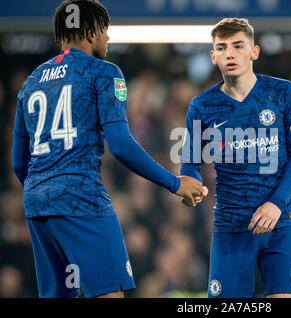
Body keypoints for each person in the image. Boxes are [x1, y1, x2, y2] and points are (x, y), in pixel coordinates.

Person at [12, 0, 206, 298]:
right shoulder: (104, 72)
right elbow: (121, 144)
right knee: (108, 294)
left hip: (37, 203)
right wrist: (175, 182)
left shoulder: (31, 82)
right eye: (105, 30)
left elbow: (17, 163)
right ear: (90, 31)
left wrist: (48, 191)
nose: (108, 37)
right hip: (82, 199)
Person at [180, 18, 291, 298]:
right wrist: (190, 183)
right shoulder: (202, 105)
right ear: (213, 56)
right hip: (231, 224)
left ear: (254, 51)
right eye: (222, 47)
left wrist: (276, 203)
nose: (230, 54)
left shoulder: (282, 92)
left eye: (238, 46)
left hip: (280, 221)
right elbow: (190, 161)